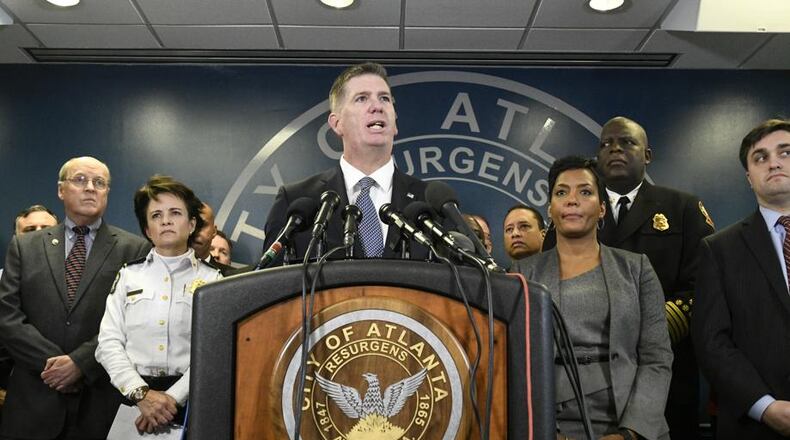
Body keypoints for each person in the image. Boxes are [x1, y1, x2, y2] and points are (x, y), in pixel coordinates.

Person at [544, 116, 714, 437]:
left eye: (627, 142)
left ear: (647, 155)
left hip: (665, 374)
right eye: (606, 144)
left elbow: (704, 286)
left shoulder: (683, 208)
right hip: (587, 386)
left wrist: (648, 328)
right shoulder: (573, 215)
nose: (615, 149)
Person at [519, 156, 672, 440]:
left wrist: (630, 433)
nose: (572, 200)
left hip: (628, 421)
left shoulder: (637, 269)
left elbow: (657, 358)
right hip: (547, 424)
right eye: (561, 192)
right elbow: (512, 365)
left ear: (602, 209)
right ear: (550, 208)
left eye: (585, 192)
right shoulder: (520, 275)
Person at [0, 156, 150, 439]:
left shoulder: (134, 248)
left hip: (97, 404)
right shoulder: (25, 246)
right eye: (80, 180)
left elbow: (133, 321)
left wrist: (80, 364)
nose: (90, 188)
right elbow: (7, 317)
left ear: (107, 192)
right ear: (61, 190)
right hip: (32, 403)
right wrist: (54, 366)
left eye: (99, 182)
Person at [263, 62, 428, 263]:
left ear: (395, 123)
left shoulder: (430, 203)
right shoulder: (297, 200)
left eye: (384, 98)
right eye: (362, 98)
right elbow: (273, 283)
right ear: (336, 123)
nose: (377, 106)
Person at [96, 175, 222, 434]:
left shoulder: (214, 280)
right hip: (131, 400)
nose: (165, 220)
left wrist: (172, 399)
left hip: (191, 403)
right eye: (155, 216)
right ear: (147, 230)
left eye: (175, 213)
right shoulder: (129, 276)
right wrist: (142, 395)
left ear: (191, 224)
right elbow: (108, 343)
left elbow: (214, 350)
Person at [693, 119, 790, 440]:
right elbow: (712, 342)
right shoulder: (719, 249)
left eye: (785, 152)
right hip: (757, 426)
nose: (774, 162)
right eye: (760, 157)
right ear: (749, 178)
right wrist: (764, 407)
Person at [503, 204, 545, 272]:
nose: (515, 233)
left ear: (543, 235)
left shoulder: (563, 276)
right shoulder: (495, 281)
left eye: (524, 226)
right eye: (509, 229)